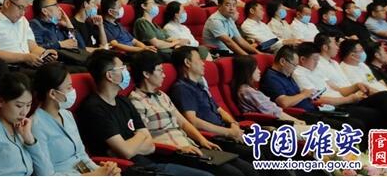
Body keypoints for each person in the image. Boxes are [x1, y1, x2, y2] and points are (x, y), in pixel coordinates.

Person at [78, 49, 210, 175]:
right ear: (110, 76)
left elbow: (150, 146)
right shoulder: (95, 108)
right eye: (122, 68)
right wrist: (139, 137)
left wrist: (131, 144)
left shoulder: (123, 101)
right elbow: (126, 152)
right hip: (129, 170)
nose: (127, 72)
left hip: (149, 164)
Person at [131, 51, 257, 175]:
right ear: (146, 74)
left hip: (191, 146)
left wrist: (202, 140)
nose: (164, 75)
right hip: (172, 153)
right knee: (233, 173)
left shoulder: (162, 95)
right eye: (160, 71)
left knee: (246, 168)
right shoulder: (136, 101)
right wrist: (179, 148)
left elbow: (184, 123)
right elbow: (144, 140)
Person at [32, 63, 121, 176]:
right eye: (69, 88)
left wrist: (105, 170)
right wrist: (94, 175)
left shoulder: (67, 115)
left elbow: (81, 155)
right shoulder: (36, 126)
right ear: (53, 93)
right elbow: (47, 175)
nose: (73, 91)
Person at [0, 72, 49, 176]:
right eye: (19, 106)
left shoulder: (20, 128)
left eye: (28, 105)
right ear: (1, 101)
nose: (24, 112)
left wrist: (30, 140)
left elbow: (45, 173)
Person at [232, 54, 309, 124]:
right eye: (256, 68)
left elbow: (273, 109)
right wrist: (296, 121)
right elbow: (272, 111)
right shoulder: (247, 91)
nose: (259, 71)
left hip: (278, 121)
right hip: (270, 124)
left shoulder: (248, 89)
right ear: (247, 71)